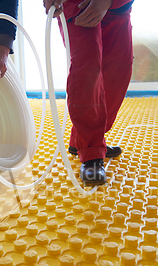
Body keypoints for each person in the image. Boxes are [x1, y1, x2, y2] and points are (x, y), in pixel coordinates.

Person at [44, 0, 133, 184]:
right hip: (77, 3)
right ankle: (91, 150)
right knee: (88, 67)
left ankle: (83, 139)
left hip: (118, 6)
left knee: (119, 69)